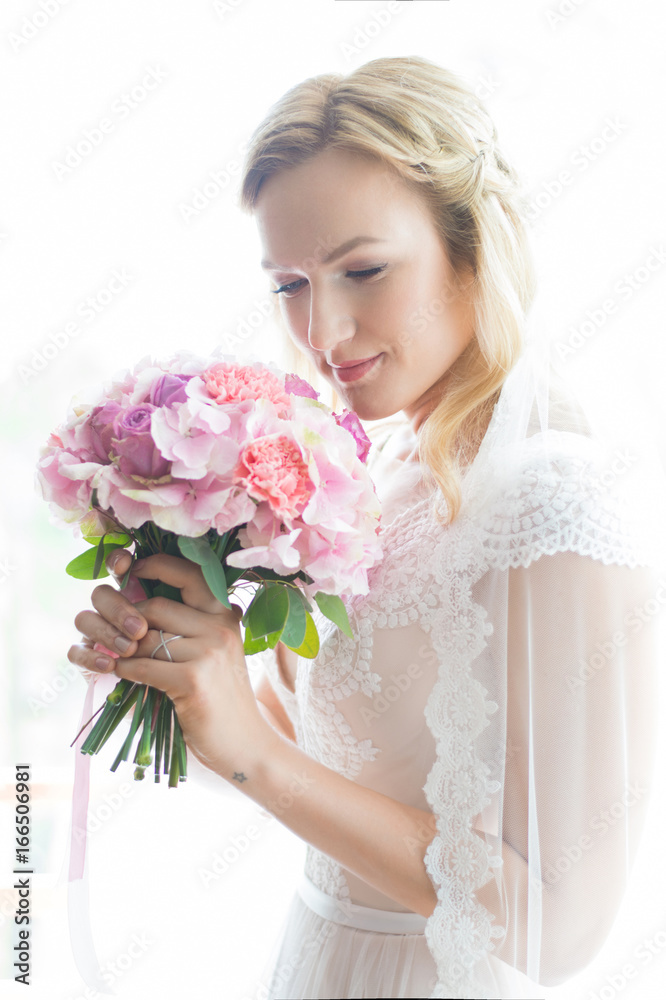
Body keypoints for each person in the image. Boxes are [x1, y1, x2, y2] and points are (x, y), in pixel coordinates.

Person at [68, 57, 666, 999]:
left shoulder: (559, 511)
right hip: (325, 958)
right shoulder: (387, 477)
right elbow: (334, 779)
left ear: (475, 245)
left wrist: (258, 755)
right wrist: (186, 680)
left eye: (364, 269)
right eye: (289, 284)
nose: (325, 330)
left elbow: (564, 929)